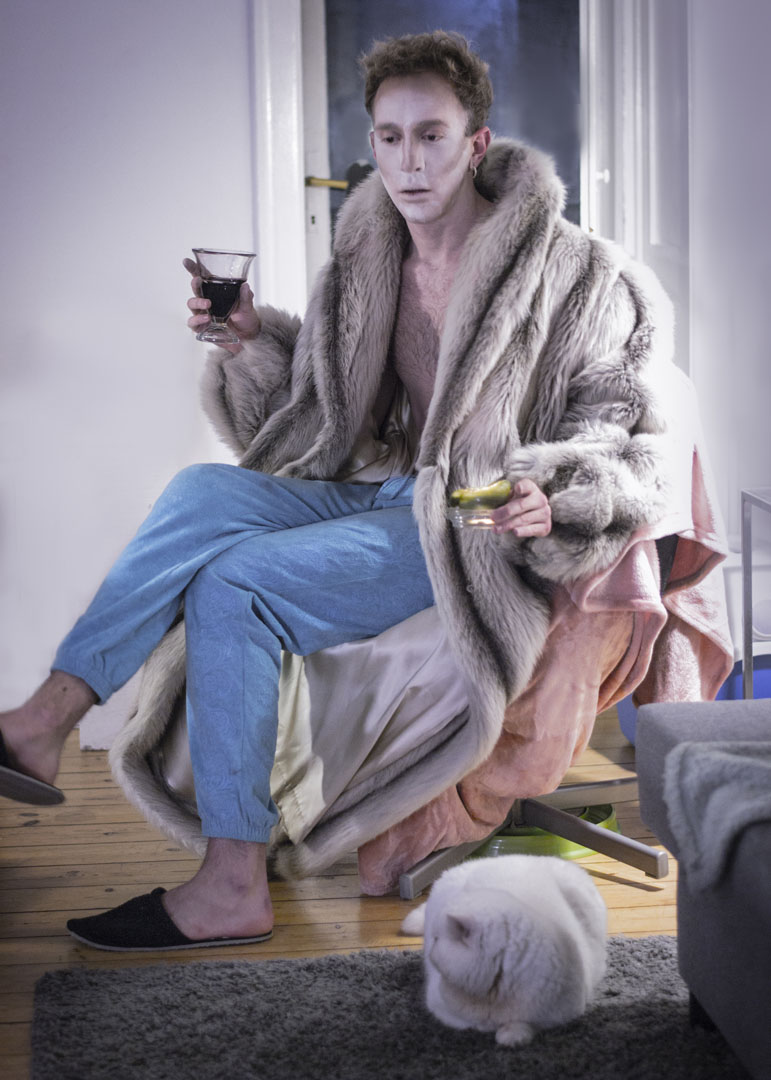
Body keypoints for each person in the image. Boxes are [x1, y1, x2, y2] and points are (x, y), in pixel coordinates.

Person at [0, 31, 686, 948]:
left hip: (471, 523)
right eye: (391, 138)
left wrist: (556, 494)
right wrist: (251, 338)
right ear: (373, 143)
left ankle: (231, 882)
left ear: (475, 144)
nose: (410, 162)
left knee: (234, 583)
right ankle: (46, 718)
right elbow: (325, 417)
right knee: (202, 491)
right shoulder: (367, 258)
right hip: (391, 492)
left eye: (432, 136)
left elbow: (622, 428)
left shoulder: (577, 273)